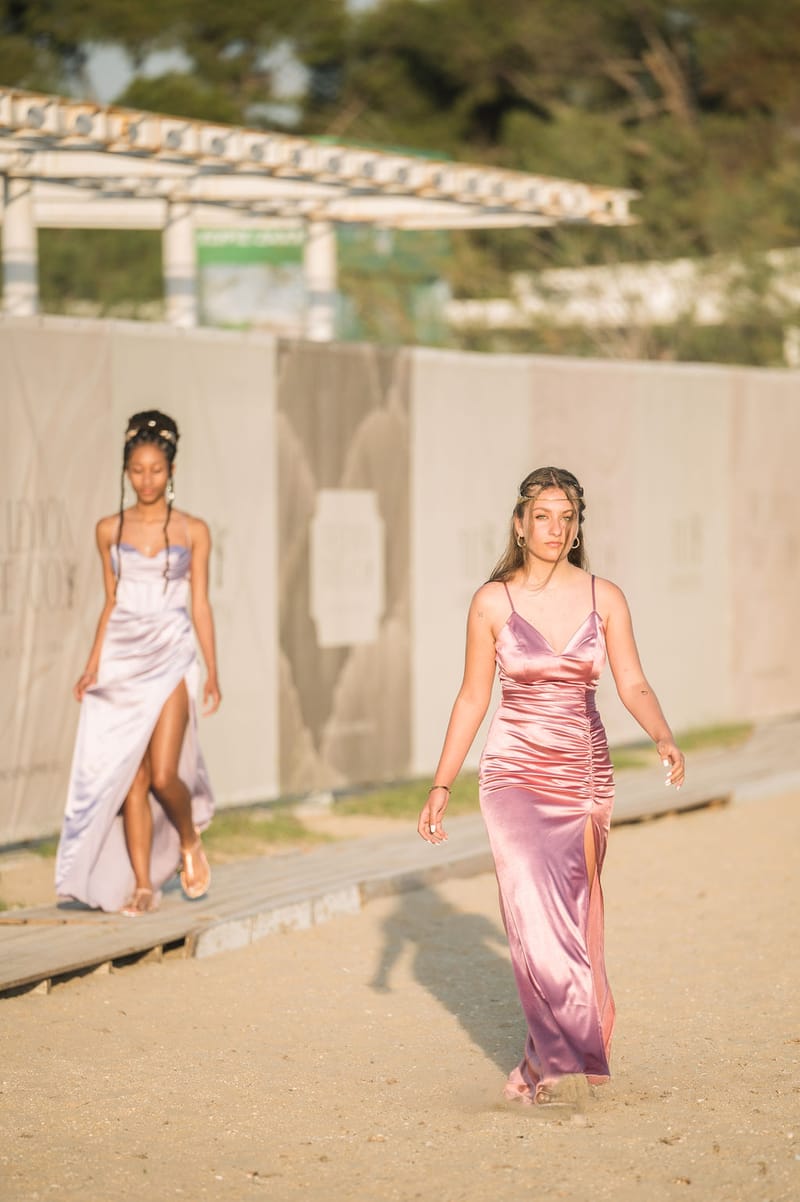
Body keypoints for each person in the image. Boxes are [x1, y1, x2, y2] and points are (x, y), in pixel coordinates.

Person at [417, 466, 685, 1105]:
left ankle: (550, 1053)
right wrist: (441, 784)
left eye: (566, 518)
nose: (555, 529)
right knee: (531, 918)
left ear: (576, 527)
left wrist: (663, 735)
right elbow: (471, 697)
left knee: (572, 911)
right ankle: (556, 1054)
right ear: (520, 522)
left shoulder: (605, 596)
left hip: (583, 774)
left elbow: (632, 682)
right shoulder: (492, 601)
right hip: (512, 774)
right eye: (543, 516)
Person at [56, 411, 221, 916]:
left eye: (155, 469)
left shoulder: (193, 529)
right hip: (121, 661)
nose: (145, 479)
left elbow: (200, 604)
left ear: (171, 470)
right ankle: (143, 884)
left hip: (171, 655)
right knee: (130, 775)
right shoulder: (109, 529)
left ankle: (189, 840)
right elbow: (110, 602)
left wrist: (212, 671)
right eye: (136, 469)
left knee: (166, 773)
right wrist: (91, 666)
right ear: (125, 470)